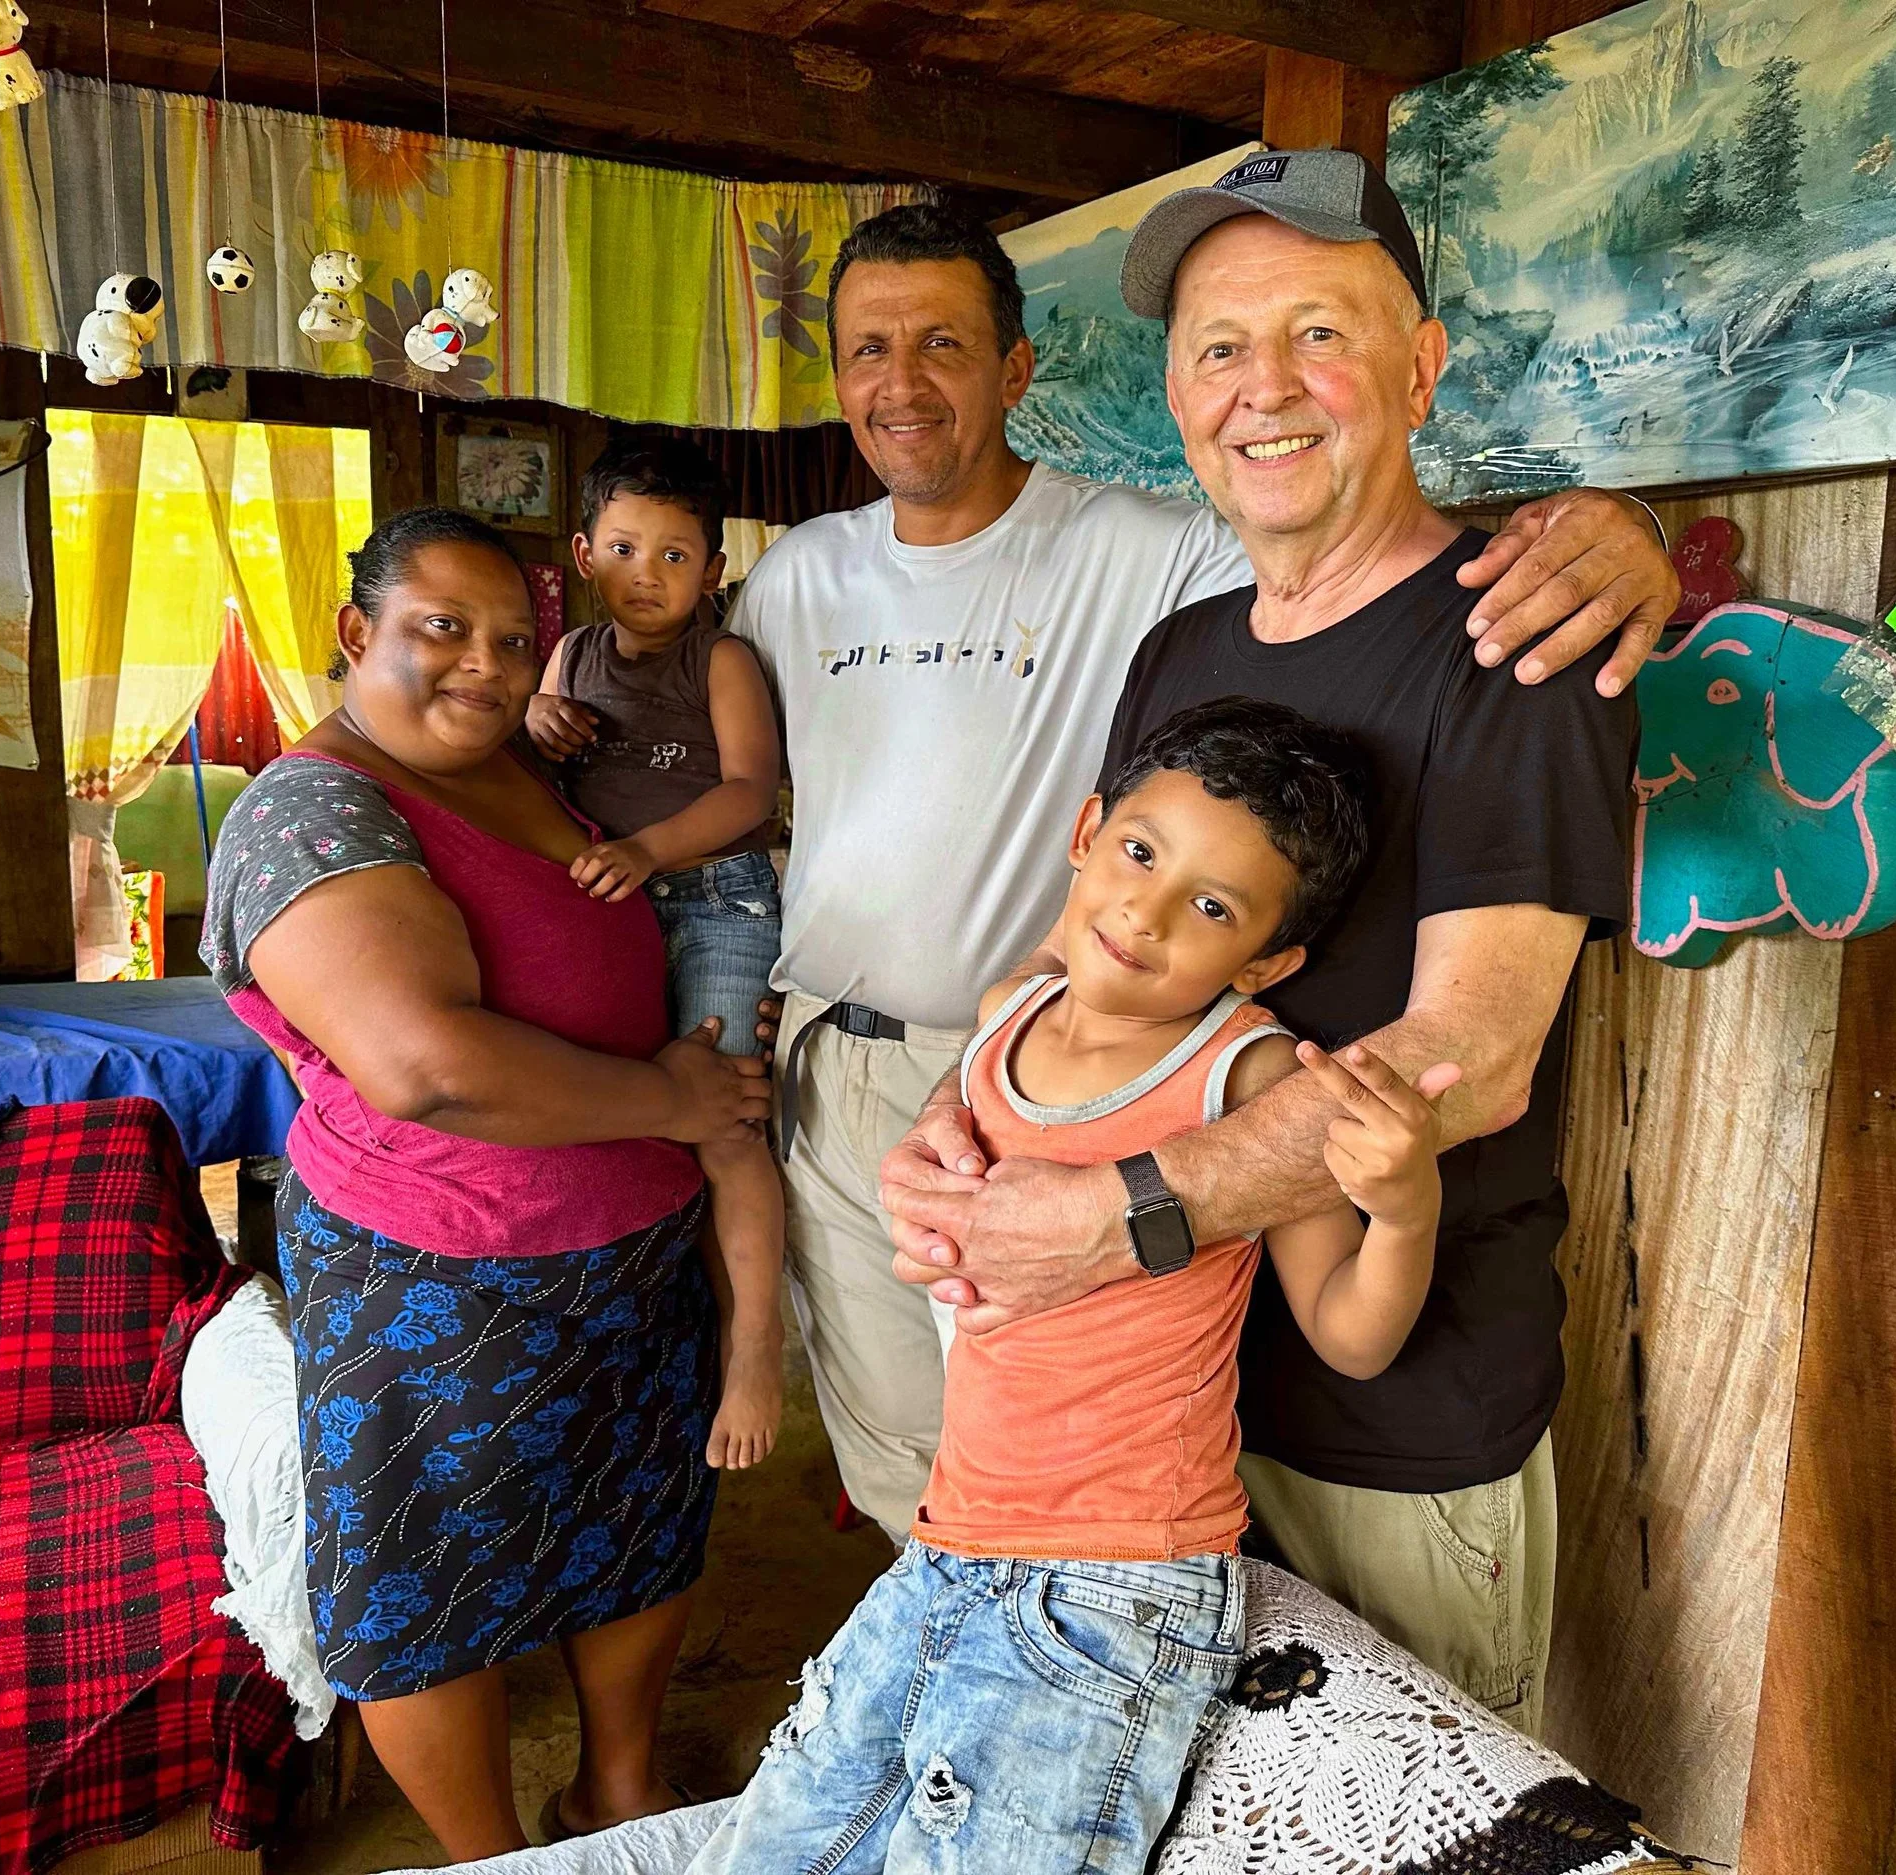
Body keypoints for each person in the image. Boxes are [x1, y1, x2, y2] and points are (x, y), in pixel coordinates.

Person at [728, 195, 1679, 1544]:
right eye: (1220, 349)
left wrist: (1118, 1219)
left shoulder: (1518, 638)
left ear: (1420, 370)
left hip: (1375, 1418)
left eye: (1317, 334)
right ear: (1178, 391)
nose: (1264, 387)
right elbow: (1076, 946)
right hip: (1147, 1412)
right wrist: (959, 1109)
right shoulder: (1183, 645)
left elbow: (1472, 1051)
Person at [690, 698, 1451, 1875]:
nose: (1144, 912)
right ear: (1088, 833)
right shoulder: (1006, 1017)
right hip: (948, 1545)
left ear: (1265, 959)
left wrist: (1403, 1208)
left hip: (1116, 1584)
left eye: (1210, 907)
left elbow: (1351, 1331)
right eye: (1141, 853)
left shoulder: (1245, 1077)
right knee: (767, 1852)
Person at [197, 507, 770, 1858]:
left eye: (514, 638)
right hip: (442, 1271)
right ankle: (494, 1853)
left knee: (634, 1519)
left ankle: (613, 1788)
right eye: (439, 629)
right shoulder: (314, 809)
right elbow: (424, 1062)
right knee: (428, 1581)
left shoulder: (513, 760)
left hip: (628, 1245)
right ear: (356, 634)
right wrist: (673, 1099)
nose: (485, 664)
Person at [527, 437, 787, 1471]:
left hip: (715, 898)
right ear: (586, 552)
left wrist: (640, 851)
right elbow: (538, 764)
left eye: (678, 556)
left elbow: (746, 792)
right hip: (609, 907)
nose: (651, 574)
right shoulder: (569, 659)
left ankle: (757, 1343)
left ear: (714, 572)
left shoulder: (719, 659)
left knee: (724, 1122)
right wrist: (537, 718)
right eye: (629, 548)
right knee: (621, 1118)